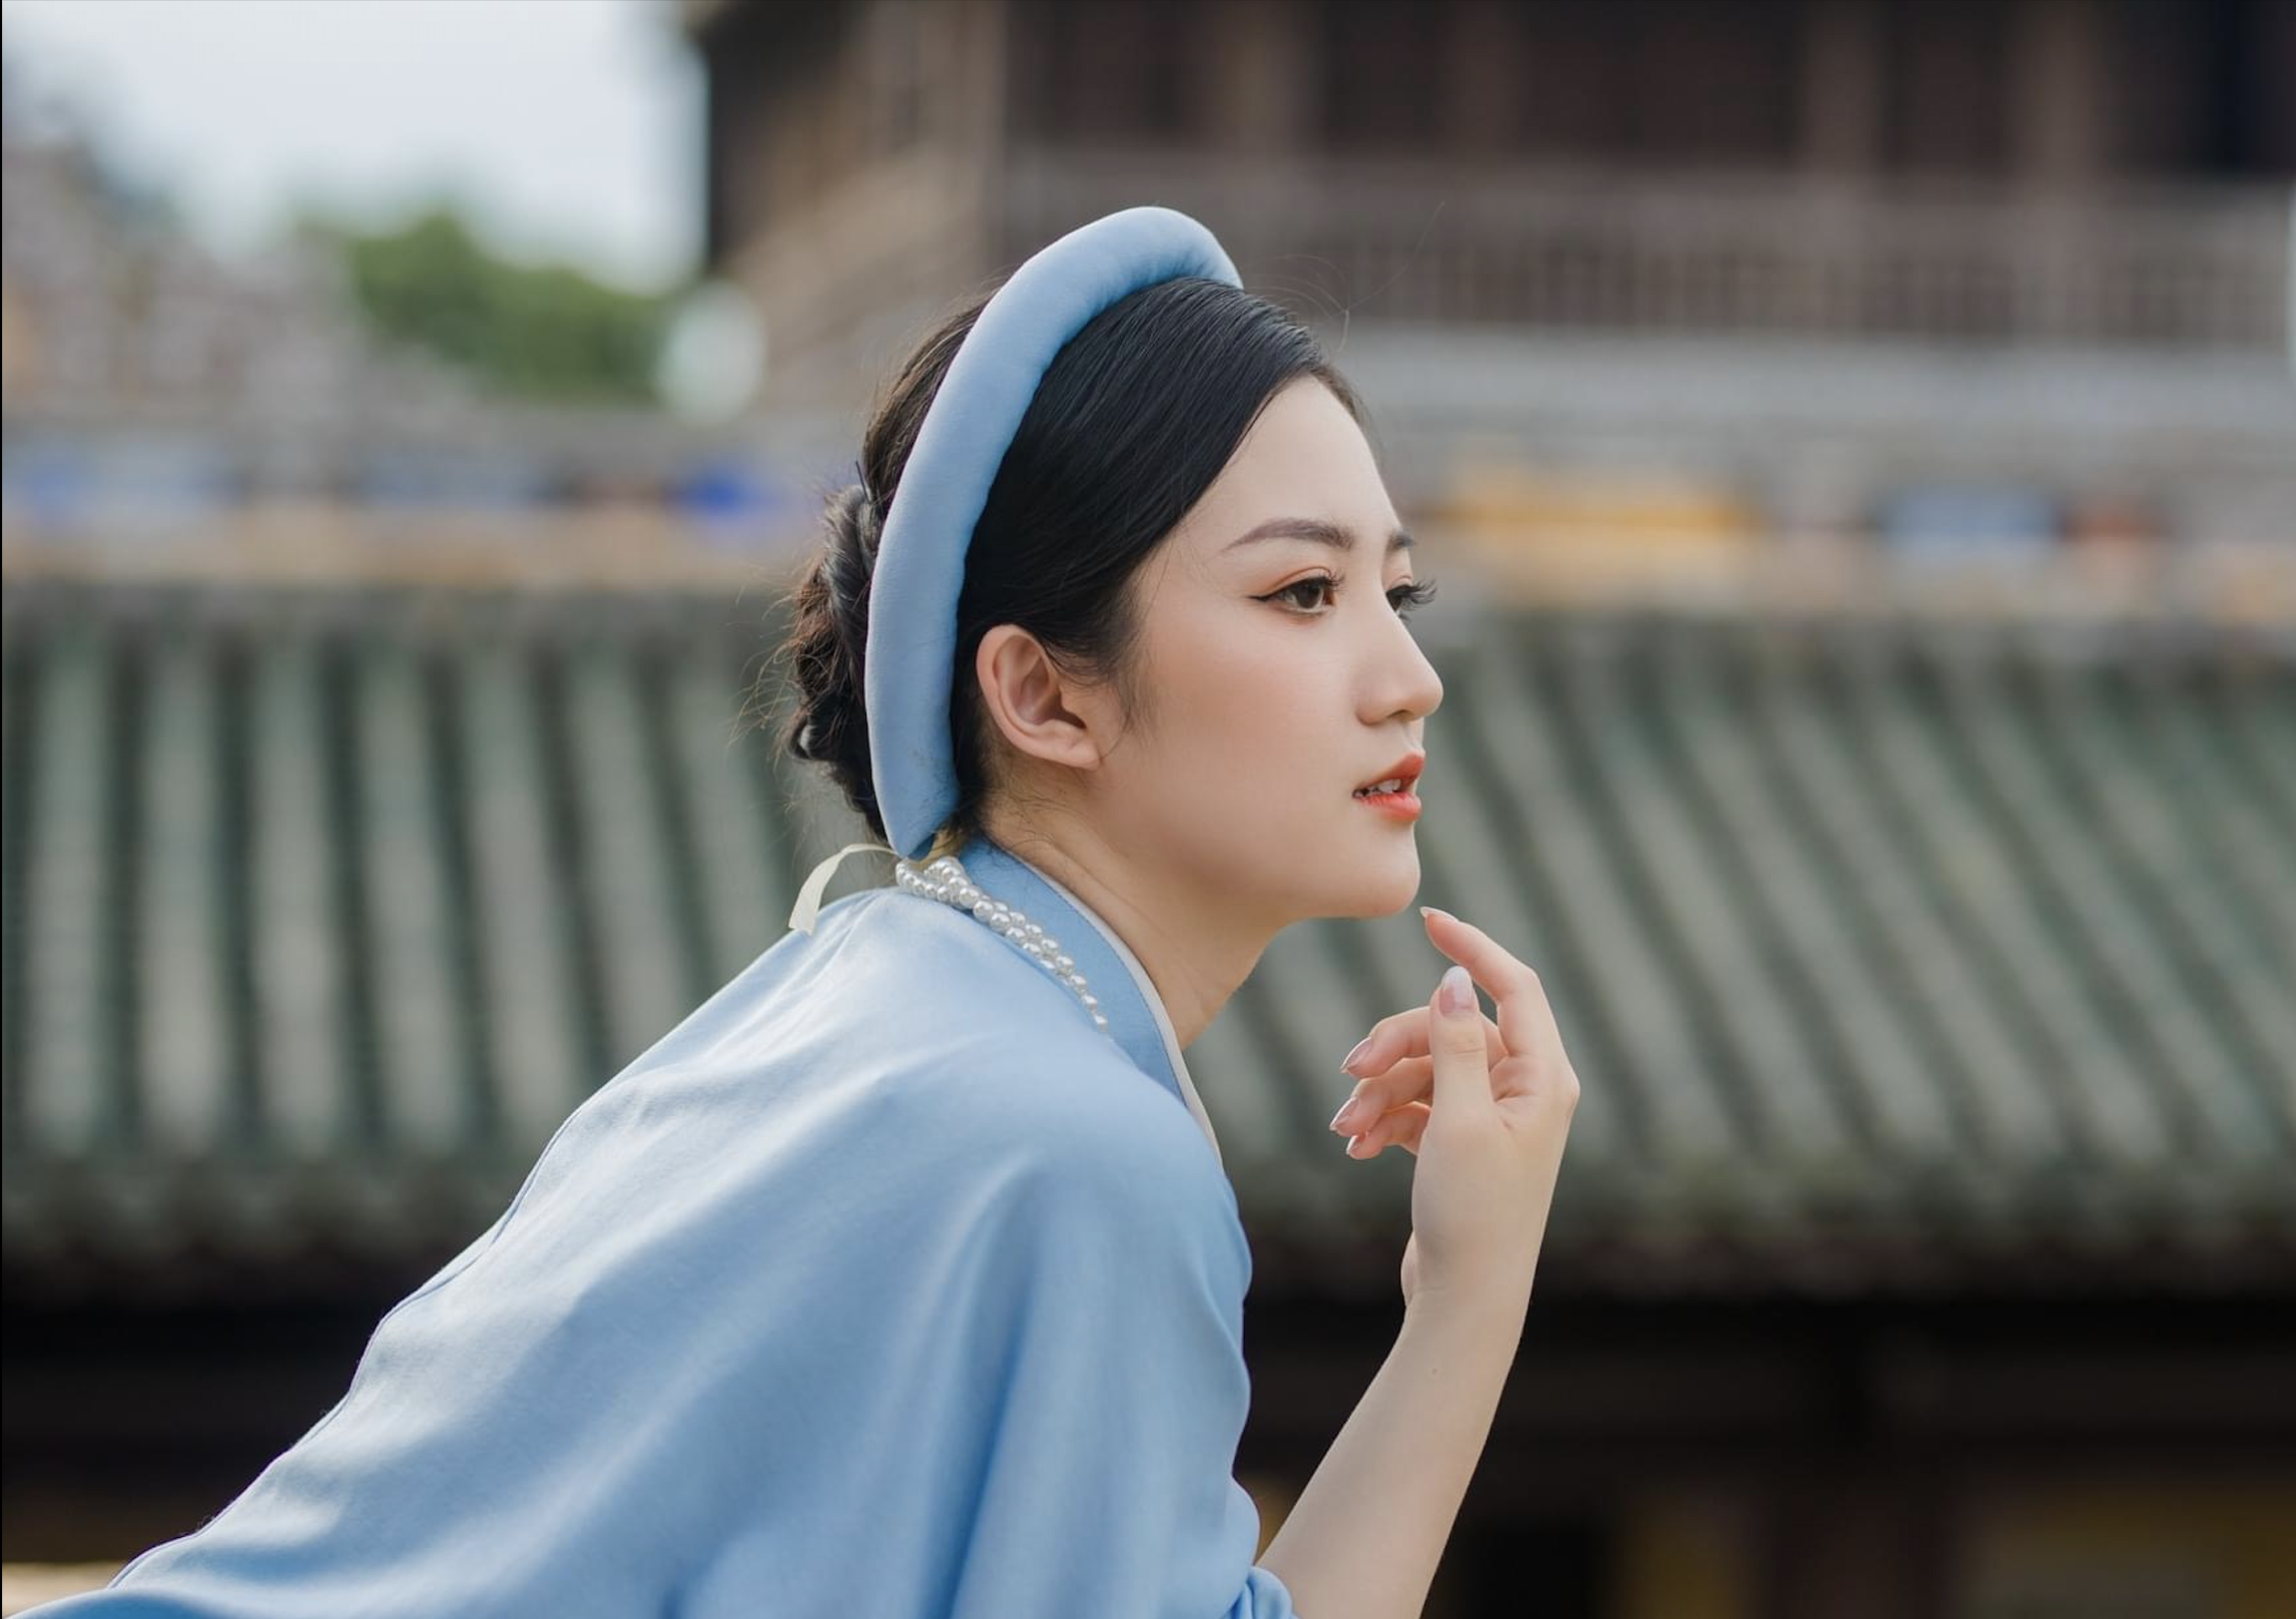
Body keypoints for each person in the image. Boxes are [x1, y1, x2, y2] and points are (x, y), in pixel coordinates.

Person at [38, 209, 1580, 1619]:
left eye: (1399, 593)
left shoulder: (861, 998)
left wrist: (1464, 1289)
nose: (1406, 676)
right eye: (1302, 596)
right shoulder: (1067, 1146)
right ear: (1041, 690)